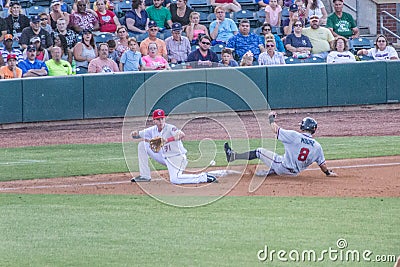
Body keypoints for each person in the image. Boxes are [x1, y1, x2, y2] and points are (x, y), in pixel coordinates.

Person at [224, 111, 338, 178]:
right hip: (294, 174)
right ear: (314, 129)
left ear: (303, 127)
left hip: (282, 167)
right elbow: (322, 165)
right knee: (275, 164)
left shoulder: (294, 136)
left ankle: (233, 156)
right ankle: (267, 173)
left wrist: (271, 118)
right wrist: (328, 173)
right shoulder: (317, 146)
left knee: (259, 151)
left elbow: (275, 129)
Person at [130, 108, 217, 184]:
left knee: (175, 179)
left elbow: (181, 135)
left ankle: (204, 177)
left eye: (162, 119)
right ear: (154, 121)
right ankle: (145, 176)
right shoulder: (152, 130)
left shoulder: (170, 128)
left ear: (164, 119)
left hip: (177, 158)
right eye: (158, 119)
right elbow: (137, 135)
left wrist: (167, 140)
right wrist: (134, 134)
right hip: (164, 157)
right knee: (142, 145)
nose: (160, 121)